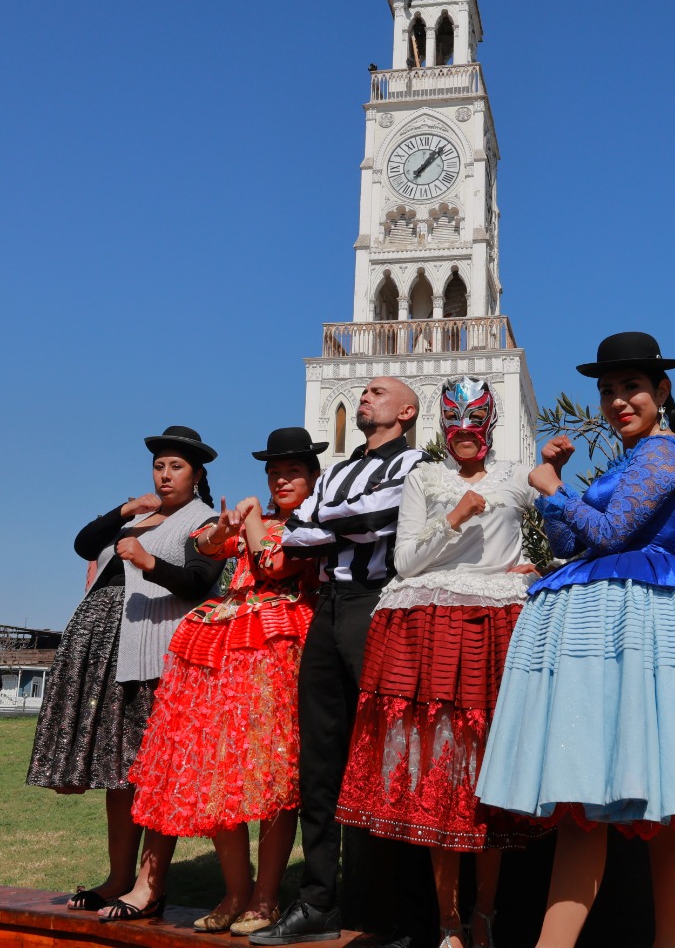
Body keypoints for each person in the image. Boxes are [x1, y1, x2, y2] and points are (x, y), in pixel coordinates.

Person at [476, 333, 675, 948]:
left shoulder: (667, 455)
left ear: (662, 391)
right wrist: (559, 485)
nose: (619, 401)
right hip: (610, 619)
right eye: (608, 391)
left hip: (648, 618)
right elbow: (573, 544)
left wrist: (551, 489)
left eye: (632, 389)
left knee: (669, 805)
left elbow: (617, 533)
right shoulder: (627, 460)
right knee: (585, 794)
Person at [337, 378, 538, 948]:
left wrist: (536, 566)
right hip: (431, 629)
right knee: (440, 769)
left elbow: (560, 524)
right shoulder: (426, 478)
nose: (465, 433)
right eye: (456, 423)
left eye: (475, 421)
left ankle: (486, 915)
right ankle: (449, 923)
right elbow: (404, 561)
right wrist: (453, 517)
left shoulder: (515, 475)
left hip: (496, 627)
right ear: (442, 427)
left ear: (491, 422)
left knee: (489, 774)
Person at [108, 428, 325, 934]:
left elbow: (275, 565)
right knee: (215, 768)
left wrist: (247, 524)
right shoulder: (260, 519)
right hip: (222, 651)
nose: (281, 479)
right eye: (275, 472)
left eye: (293, 471)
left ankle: (265, 896)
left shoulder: (315, 525)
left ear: (313, 479)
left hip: (278, 650)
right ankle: (235, 889)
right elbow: (203, 546)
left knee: (272, 775)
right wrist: (224, 526)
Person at [250, 376, 427, 946]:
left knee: (381, 754)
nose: (365, 398)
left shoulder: (419, 465)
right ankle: (319, 898)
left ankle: (392, 911)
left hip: (378, 606)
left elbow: (379, 518)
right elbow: (296, 535)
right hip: (328, 612)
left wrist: (327, 523)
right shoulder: (335, 474)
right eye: (364, 393)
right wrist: (332, 522)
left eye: (378, 392)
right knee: (319, 757)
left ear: (407, 410)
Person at [25, 426, 224, 916]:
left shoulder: (206, 521)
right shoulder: (139, 518)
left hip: (155, 654)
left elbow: (201, 584)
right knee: (121, 772)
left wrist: (150, 560)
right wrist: (125, 512)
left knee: (153, 771)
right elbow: (83, 544)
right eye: (159, 466)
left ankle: (149, 886)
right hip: (105, 652)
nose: (164, 475)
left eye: (176, 466)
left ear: (197, 475)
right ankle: (118, 878)